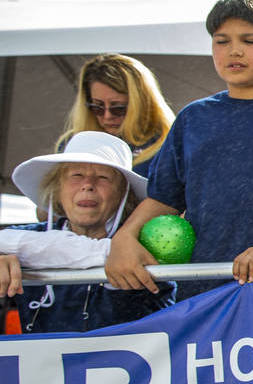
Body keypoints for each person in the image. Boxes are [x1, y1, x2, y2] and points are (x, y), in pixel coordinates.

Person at [104, 0, 253, 298]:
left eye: (250, 40)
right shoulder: (193, 117)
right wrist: (123, 238)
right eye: (222, 41)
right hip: (205, 291)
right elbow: (164, 199)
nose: (235, 50)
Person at [1, 132, 174, 332]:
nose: (88, 186)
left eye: (103, 178)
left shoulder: (147, 243)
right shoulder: (28, 234)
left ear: (123, 194)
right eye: (76, 175)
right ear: (58, 188)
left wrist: (25, 252)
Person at [55, 53, 175, 177]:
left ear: (142, 105)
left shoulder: (167, 146)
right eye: (97, 107)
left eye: (118, 108)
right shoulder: (72, 143)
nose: (107, 116)